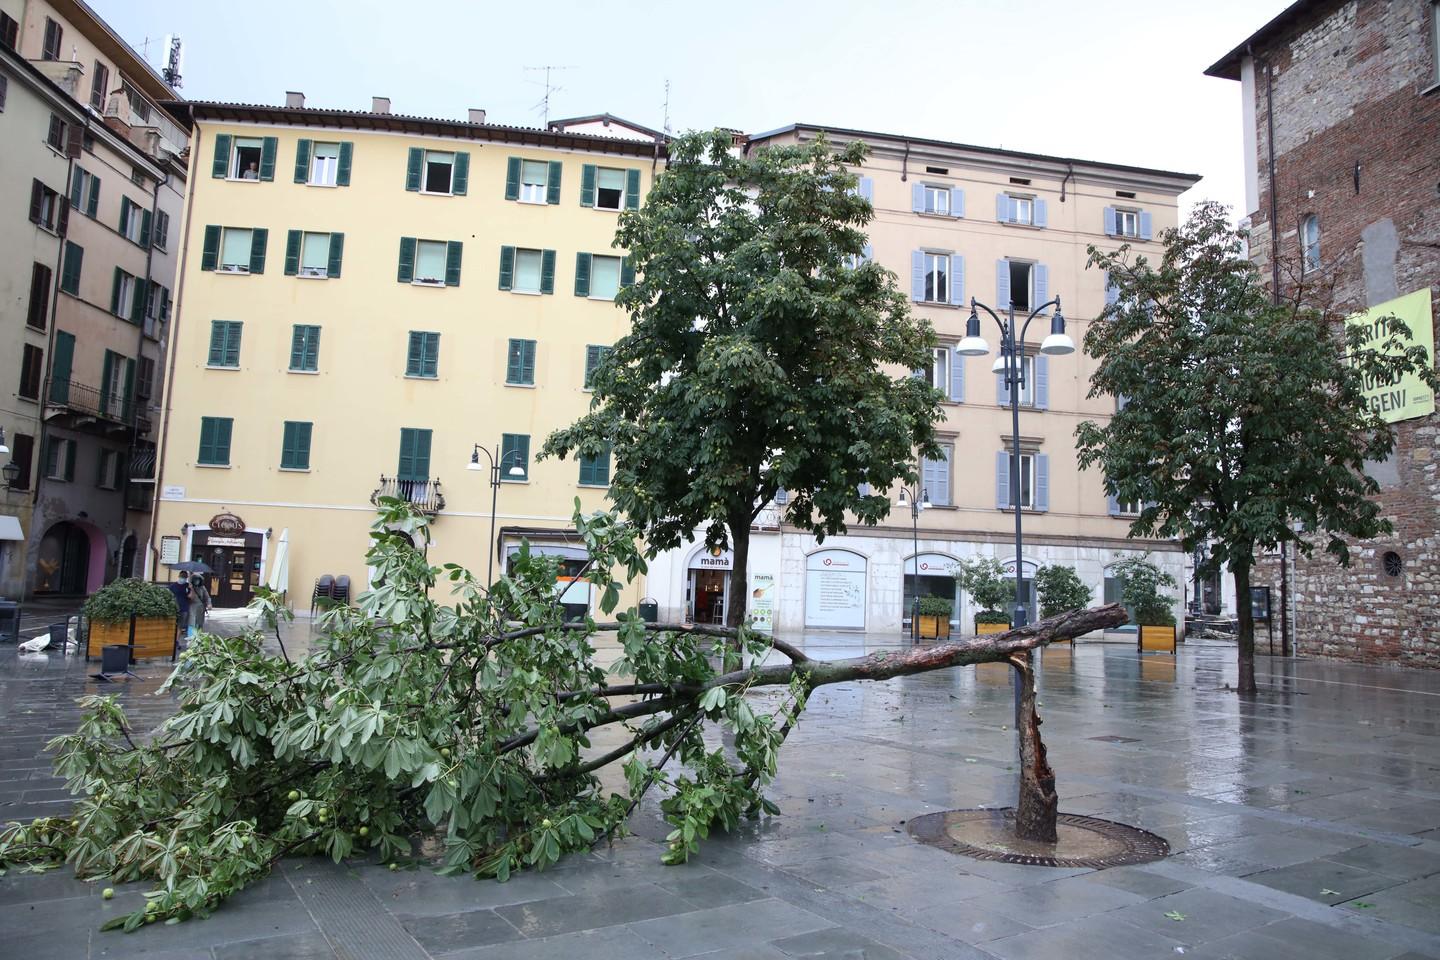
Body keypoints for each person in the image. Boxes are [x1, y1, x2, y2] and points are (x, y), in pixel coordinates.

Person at [169, 573, 192, 644]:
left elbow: (190, 597)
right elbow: (169, 596)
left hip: (184, 608)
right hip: (174, 608)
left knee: (180, 625)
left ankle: (176, 641)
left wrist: (191, 589)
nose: (183, 578)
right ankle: (171, 640)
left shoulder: (188, 586)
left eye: (185, 577)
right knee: (172, 625)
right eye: (182, 577)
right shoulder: (173, 586)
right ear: (179, 576)